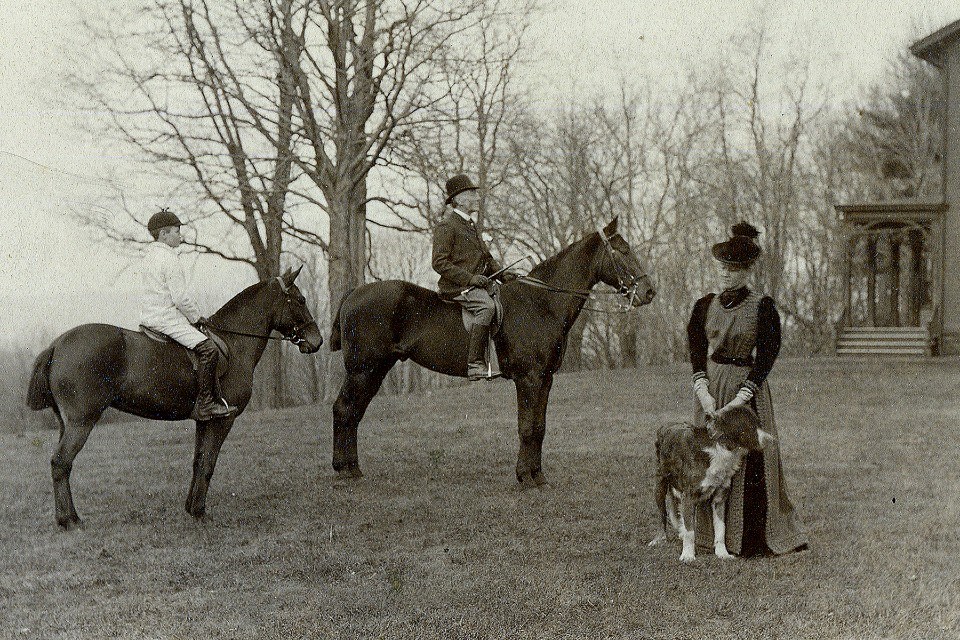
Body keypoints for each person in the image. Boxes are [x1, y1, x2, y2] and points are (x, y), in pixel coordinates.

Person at [686, 221, 808, 557]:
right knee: (706, 455)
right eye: (722, 268)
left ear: (746, 271)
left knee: (750, 456)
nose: (726, 274)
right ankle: (704, 536)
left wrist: (744, 396)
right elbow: (696, 347)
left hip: (745, 389)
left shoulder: (762, 306)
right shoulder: (703, 305)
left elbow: (768, 353)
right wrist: (702, 389)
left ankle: (751, 538)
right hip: (710, 389)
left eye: (733, 269)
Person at [140, 209, 236, 421]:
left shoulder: (148, 256)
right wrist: (196, 317)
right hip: (166, 319)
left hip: (149, 318)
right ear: (163, 234)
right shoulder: (169, 258)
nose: (179, 235)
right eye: (176, 231)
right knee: (209, 349)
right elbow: (181, 299)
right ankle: (206, 404)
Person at [431, 174, 517, 381]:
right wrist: (469, 279)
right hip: (457, 288)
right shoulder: (447, 226)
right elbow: (439, 263)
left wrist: (503, 274)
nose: (477, 198)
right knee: (486, 307)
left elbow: (486, 258)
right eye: (472, 194)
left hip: (477, 285)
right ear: (459, 199)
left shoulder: (471, 226)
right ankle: (475, 364)